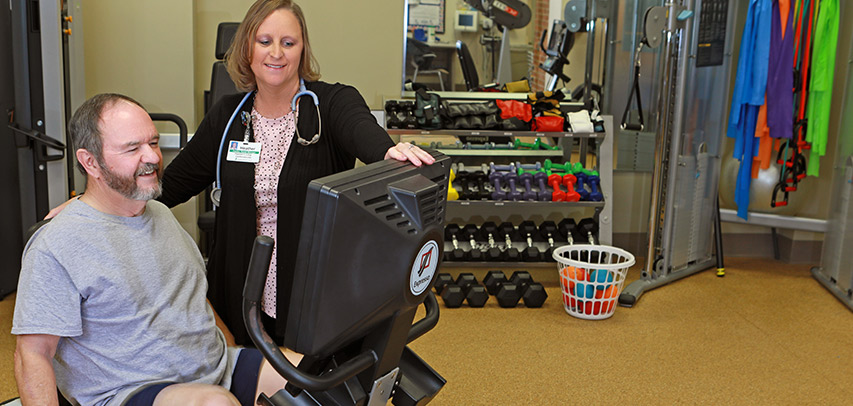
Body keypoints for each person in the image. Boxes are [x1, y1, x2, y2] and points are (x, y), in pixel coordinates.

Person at [157, 0, 435, 346]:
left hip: (308, 284)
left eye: (288, 43)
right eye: (264, 41)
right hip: (240, 281)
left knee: (303, 385)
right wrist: (96, 207)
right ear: (247, 47)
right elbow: (169, 186)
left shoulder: (331, 103)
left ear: (302, 50)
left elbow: (359, 127)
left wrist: (386, 151)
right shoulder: (228, 116)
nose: (276, 53)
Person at [13, 93, 296, 405]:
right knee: (214, 403)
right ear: (90, 162)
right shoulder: (56, 244)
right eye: (133, 148)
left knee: (312, 376)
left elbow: (192, 295)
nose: (152, 157)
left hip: (216, 370)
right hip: (132, 391)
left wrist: (228, 349)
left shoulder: (159, 214)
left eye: (153, 142)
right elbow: (32, 354)